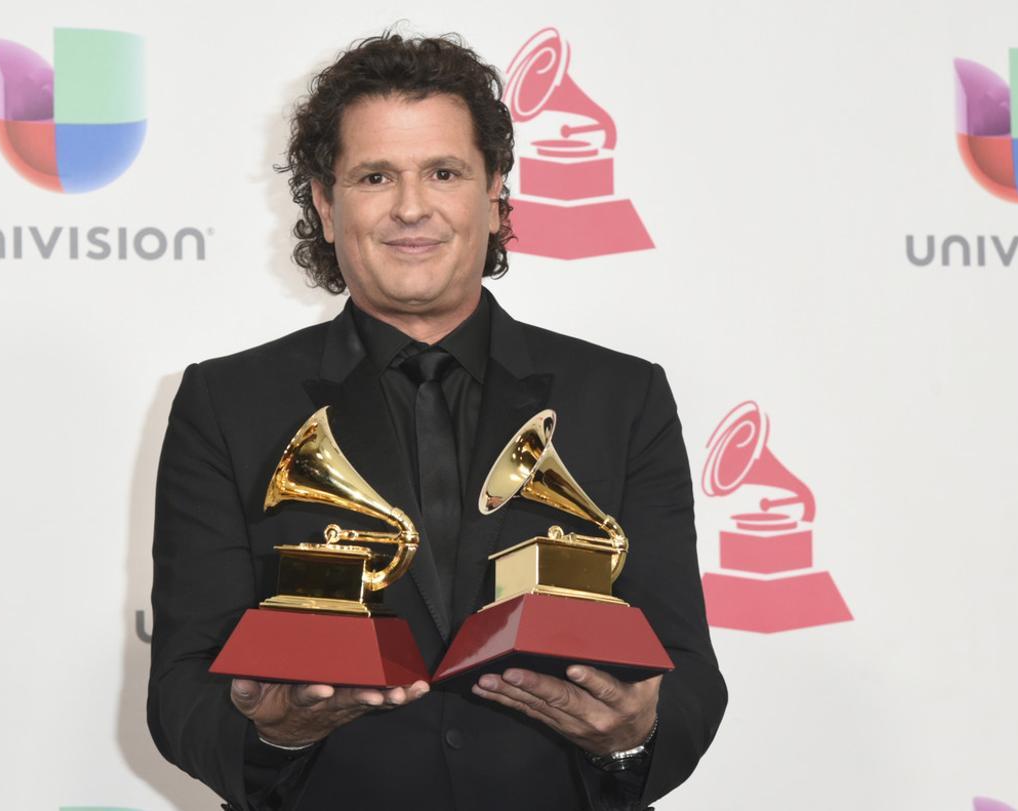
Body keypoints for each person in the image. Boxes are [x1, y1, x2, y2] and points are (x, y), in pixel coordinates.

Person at [148, 31, 726, 811]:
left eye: (444, 172)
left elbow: (687, 671)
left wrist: (630, 734)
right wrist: (277, 733)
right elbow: (183, 685)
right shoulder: (224, 403)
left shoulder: (624, 397)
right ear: (324, 203)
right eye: (375, 175)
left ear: (494, 194)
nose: (411, 206)